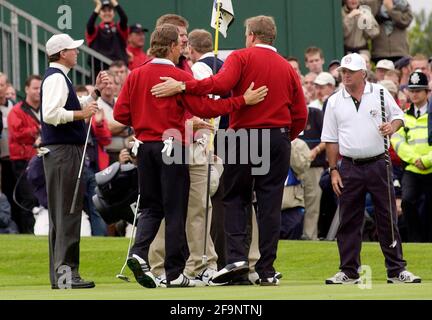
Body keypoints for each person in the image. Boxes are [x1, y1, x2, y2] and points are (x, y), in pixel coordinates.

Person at [151, 15, 308, 286]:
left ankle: (236, 260)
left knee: (236, 198)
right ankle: (267, 270)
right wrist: (283, 138)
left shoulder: (241, 57)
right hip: (278, 137)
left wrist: (185, 85)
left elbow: (221, 85)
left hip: (244, 136)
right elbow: (301, 112)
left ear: (251, 36)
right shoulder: (287, 67)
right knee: (270, 205)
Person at [113, 23, 268, 289]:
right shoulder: (177, 76)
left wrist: (144, 115)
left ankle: (138, 253)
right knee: (175, 210)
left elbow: (120, 115)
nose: (182, 50)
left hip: (145, 147)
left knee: (150, 207)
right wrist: (242, 101)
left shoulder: (136, 74)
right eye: (180, 46)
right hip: (172, 145)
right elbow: (207, 106)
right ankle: (174, 273)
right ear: (172, 46)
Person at [321, 53, 421, 284]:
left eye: (350, 71)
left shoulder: (381, 93)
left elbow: (399, 118)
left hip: (378, 163)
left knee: (387, 218)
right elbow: (330, 139)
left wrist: (391, 127)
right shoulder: (335, 101)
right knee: (349, 220)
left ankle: (396, 270)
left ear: (362, 73)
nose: (345, 75)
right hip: (349, 167)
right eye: (343, 72)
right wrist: (334, 169)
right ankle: (348, 271)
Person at [40, 33, 109, 289]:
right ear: (62, 53)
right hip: (64, 151)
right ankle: (67, 276)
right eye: (72, 49)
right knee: (68, 213)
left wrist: (96, 94)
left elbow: (69, 105)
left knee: (64, 214)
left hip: (62, 151)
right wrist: (82, 113)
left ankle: (63, 277)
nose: (77, 52)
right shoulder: (57, 77)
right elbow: (51, 114)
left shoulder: (58, 77)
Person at [391, 71, 432, 242]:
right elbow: (397, 140)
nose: (414, 94)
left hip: (430, 167)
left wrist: (426, 160)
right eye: (412, 90)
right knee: (407, 202)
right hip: (412, 167)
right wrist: (415, 158)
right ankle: (416, 240)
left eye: (418, 90)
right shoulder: (404, 115)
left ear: (427, 92)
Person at [7, 75, 42, 233]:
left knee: (39, 199)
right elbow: (17, 133)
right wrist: (38, 131)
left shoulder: (45, 108)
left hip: (41, 159)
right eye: (35, 88)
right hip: (23, 160)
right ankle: (28, 232)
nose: (38, 91)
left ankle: (40, 230)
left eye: (40, 88)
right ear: (26, 89)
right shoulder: (17, 110)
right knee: (28, 199)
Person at [86, 0, 129, 76]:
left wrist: (114, 2)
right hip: (99, 72)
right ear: (99, 13)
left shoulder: (119, 28)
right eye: (104, 10)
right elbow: (89, 25)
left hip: (118, 71)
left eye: (109, 10)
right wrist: (98, 6)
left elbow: (124, 19)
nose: (107, 13)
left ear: (114, 13)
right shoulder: (95, 30)